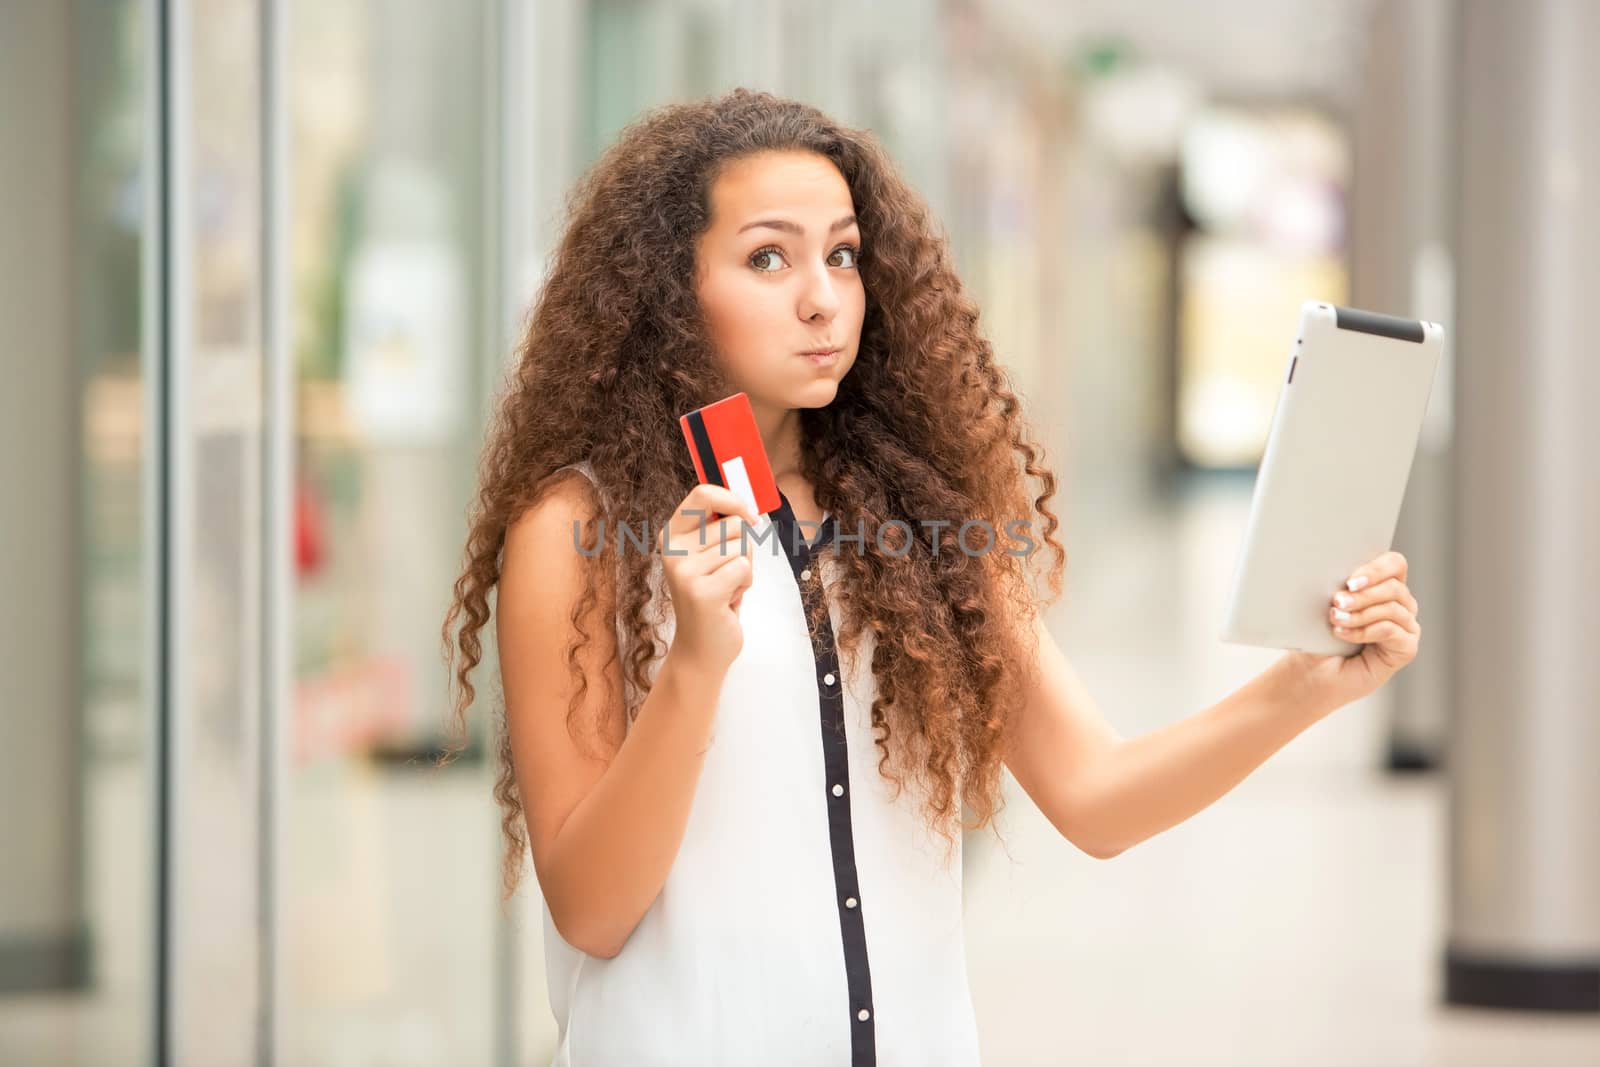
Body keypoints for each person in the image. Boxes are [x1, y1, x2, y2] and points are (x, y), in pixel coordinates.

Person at [440, 87, 1421, 1066]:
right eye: (766, 257)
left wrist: (1301, 687)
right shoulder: (576, 531)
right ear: (666, 291)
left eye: (842, 254)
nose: (821, 296)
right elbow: (592, 910)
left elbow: (1096, 794)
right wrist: (695, 663)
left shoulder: (917, 514)